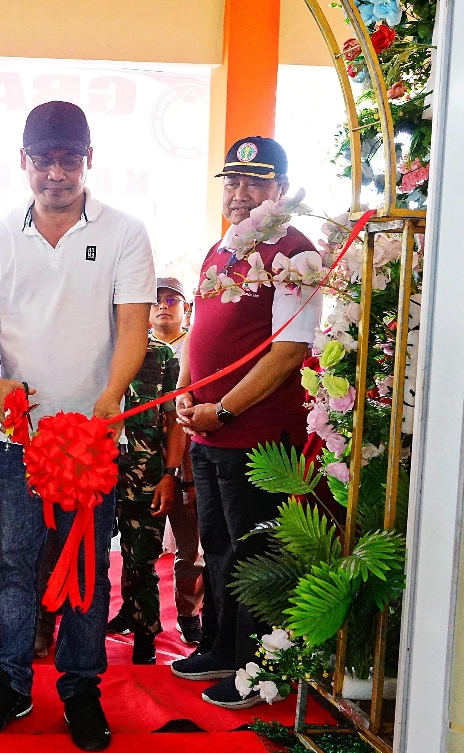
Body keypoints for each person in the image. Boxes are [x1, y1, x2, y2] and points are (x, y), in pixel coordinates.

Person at [0, 101, 156, 752]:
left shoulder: (125, 232)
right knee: (13, 562)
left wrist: (111, 396)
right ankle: (10, 681)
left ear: (88, 160)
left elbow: (133, 328)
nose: (55, 173)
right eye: (43, 159)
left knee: (87, 568)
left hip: (93, 439)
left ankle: (80, 687)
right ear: (23, 161)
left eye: (68, 159)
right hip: (21, 439)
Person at [170, 137, 320, 710]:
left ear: (280, 189)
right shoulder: (222, 248)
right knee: (217, 544)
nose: (240, 193)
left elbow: (288, 353)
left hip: (254, 434)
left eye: (255, 183)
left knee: (255, 552)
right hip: (208, 429)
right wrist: (186, 392)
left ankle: (257, 668)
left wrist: (225, 408)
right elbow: (198, 332)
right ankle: (220, 647)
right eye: (232, 181)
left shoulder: (295, 253)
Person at [111, 330, 184, 664]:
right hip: (92, 472)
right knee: (89, 559)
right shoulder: (92, 345)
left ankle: (144, 634)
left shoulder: (161, 355)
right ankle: (86, 636)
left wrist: (171, 474)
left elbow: (174, 420)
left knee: (141, 559)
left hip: (144, 476)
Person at [149, 278, 205, 647]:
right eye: (157, 300)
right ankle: (138, 615)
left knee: (191, 551)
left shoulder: (197, 348)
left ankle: (189, 614)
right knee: (139, 548)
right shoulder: (134, 350)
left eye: (173, 300)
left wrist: (190, 475)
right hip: (144, 466)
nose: (164, 306)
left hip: (189, 465)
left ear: (186, 308)